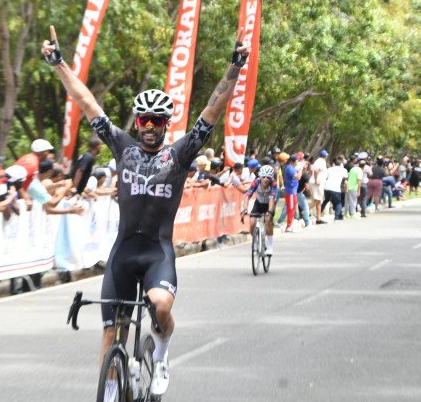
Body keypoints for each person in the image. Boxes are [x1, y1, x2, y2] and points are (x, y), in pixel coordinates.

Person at [42, 23, 249, 399]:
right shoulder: (123, 147)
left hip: (157, 252)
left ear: (166, 125)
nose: (150, 126)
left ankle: (163, 355)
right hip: (123, 252)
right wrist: (58, 63)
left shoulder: (181, 153)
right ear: (137, 123)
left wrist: (234, 68)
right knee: (110, 332)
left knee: (159, 305)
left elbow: (214, 108)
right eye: (144, 120)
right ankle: (108, 391)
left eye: (157, 120)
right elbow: (86, 101)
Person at [243, 165, 279, 253]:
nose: (265, 179)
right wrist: (245, 209)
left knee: (268, 221)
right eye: (263, 177)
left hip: (269, 204)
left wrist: (270, 212)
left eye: (268, 177)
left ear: (271, 178)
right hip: (258, 203)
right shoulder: (256, 182)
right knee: (252, 223)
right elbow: (247, 196)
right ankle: (255, 241)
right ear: (260, 176)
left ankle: (270, 247)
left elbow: (272, 199)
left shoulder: (273, 184)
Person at [321, 156, 347, 220]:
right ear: (341, 164)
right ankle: (337, 216)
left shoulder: (330, 169)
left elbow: (325, 177)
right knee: (338, 202)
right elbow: (345, 180)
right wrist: (345, 189)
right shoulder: (343, 170)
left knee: (326, 200)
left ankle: (319, 212)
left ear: (334, 163)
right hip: (336, 188)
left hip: (327, 187)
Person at [310, 150, 329, 224]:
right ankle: (304, 211)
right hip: (317, 183)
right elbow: (316, 170)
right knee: (317, 200)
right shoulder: (321, 161)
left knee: (319, 201)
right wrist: (316, 180)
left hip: (318, 183)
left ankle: (318, 218)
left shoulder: (318, 161)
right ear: (325, 156)